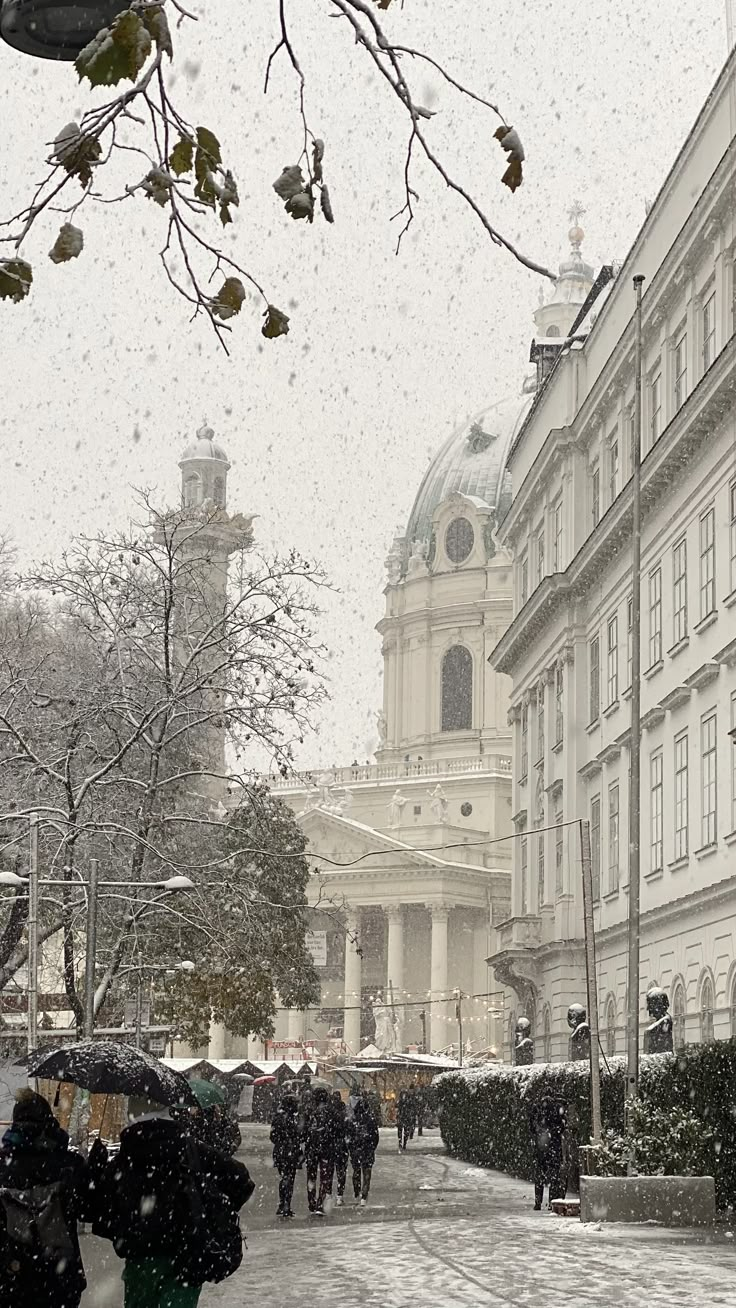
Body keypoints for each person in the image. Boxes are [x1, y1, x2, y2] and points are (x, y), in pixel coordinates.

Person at [93, 1104, 254, 1307]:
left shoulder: (125, 1157)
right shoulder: (190, 1148)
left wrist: (96, 1168)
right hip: (187, 1253)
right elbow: (240, 1179)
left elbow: (98, 1210)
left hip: (141, 1259)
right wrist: (214, 1206)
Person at [0, 1088, 92, 1308]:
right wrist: (94, 1166)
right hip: (59, 1279)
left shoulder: (3, 1167)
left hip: (12, 1278)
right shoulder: (68, 1165)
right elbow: (90, 1209)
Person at [529, 1095, 567, 1211]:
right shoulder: (557, 1110)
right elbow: (561, 1127)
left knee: (540, 1174)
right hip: (554, 1147)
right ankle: (552, 1202)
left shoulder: (539, 1110)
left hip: (542, 1147)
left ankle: (538, 1202)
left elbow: (532, 1126)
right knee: (554, 1176)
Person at [270, 1093, 302, 1218]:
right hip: (290, 1151)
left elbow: (272, 1136)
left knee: (284, 1177)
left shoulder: (278, 1117)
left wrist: (280, 1142)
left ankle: (282, 1203)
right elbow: (298, 1135)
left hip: (280, 1151)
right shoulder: (293, 1119)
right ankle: (286, 1204)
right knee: (290, 1178)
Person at [304, 1088, 334, 1215]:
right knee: (324, 1176)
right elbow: (336, 1129)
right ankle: (320, 1202)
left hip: (312, 1147)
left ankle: (311, 1200)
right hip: (325, 1148)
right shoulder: (329, 1112)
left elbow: (303, 1130)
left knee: (311, 1175)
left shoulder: (309, 1111)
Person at [348, 1096, 379, 1207]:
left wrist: (352, 1148)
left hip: (356, 1150)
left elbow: (349, 1136)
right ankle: (364, 1196)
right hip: (367, 1150)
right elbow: (375, 1136)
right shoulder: (370, 1120)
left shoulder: (353, 1120)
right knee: (367, 1174)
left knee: (356, 1172)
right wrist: (371, 1147)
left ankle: (357, 1192)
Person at [330, 1091, 350, 1207]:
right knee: (341, 1172)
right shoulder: (344, 1113)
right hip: (342, 1145)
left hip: (331, 1145)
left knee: (329, 1171)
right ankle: (339, 1195)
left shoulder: (328, 1112)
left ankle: (328, 1194)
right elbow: (348, 1128)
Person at [396, 1088, 416, 1152]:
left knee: (405, 1131)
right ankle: (400, 1142)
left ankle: (404, 1143)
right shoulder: (401, 1101)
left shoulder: (408, 1101)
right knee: (401, 1130)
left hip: (406, 1117)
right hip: (403, 1117)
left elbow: (411, 1108)